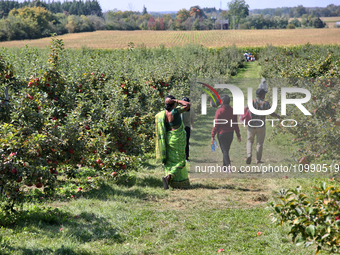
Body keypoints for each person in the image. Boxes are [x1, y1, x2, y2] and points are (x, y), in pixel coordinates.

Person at [155, 95, 191, 189]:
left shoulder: (162, 115)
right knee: (181, 160)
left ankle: (172, 181)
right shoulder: (175, 112)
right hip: (177, 138)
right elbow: (188, 105)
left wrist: (170, 101)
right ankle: (169, 176)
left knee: (171, 160)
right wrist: (176, 100)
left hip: (168, 138)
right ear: (173, 103)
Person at [245, 88, 280, 164]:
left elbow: (244, 109)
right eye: (264, 94)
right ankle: (258, 159)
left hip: (251, 125)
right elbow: (271, 113)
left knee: (250, 140)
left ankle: (249, 155)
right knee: (259, 143)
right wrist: (277, 115)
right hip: (261, 126)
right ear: (262, 95)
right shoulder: (265, 103)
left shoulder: (252, 102)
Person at [211, 95, 241, 171]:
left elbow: (216, 124)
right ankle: (224, 167)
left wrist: (212, 135)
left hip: (221, 133)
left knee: (224, 151)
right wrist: (238, 135)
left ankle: (228, 167)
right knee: (226, 151)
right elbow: (235, 124)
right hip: (230, 133)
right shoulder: (233, 111)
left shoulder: (219, 111)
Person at [181, 97, 195, 162]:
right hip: (186, 127)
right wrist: (192, 125)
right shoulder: (191, 110)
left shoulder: (181, 110)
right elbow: (192, 119)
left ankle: (185, 157)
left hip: (183, 127)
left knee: (184, 142)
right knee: (186, 143)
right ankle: (186, 157)